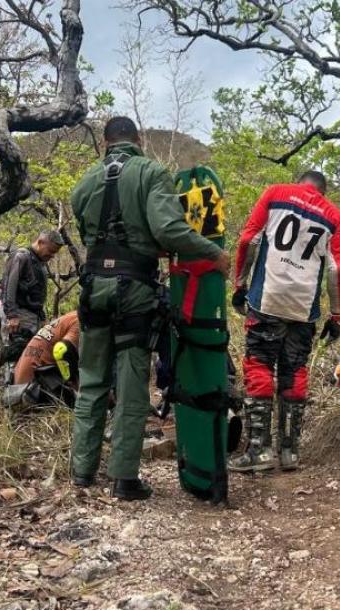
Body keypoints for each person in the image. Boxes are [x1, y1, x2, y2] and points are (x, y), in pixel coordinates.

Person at [69, 116, 229, 501]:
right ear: (137, 139)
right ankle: (123, 478)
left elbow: (92, 234)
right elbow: (170, 230)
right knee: (130, 385)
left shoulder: (84, 182)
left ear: (105, 143)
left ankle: (82, 472)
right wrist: (214, 254)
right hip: (133, 290)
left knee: (91, 381)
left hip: (93, 287)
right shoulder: (151, 172)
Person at [229, 170, 340, 473]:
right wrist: (335, 315)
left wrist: (240, 284)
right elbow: (336, 270)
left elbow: (249, 240)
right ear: (323, 191)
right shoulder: (335, 217)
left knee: (259, 365)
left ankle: (258, 451)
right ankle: (290, 453)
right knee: (294, 370)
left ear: (300, 183)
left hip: (267, 299)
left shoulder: (275, 194)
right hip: (303, 307)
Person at [0, 230, 65, 366]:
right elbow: (8, 286)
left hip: (33, 319)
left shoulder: (39, 263)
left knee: (31, 359)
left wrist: (42, 318)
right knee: (16, 359)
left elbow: (37, 296)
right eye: (50, 251)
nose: (52, 255)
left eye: (54, 253)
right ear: (40, 242)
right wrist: (12, 315)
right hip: (19, 317)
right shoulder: (21, 257)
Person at [6, 310, 81, 409]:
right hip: (34, 390)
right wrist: (76, 387)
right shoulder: (79, 321)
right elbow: (62, 352)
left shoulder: (69, 317)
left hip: (17, 389)